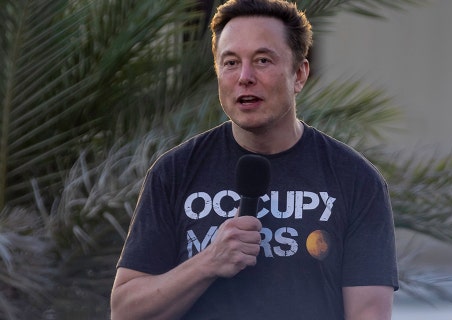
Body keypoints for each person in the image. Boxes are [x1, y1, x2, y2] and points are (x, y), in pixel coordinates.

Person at [110, 0, 398, 319]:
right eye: (231, 62)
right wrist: (209, 262)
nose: (245, 77)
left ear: (299, 74)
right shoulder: (174, 172)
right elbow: (125, 311)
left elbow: (368, 313)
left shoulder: (355, 179)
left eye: (262, 60)